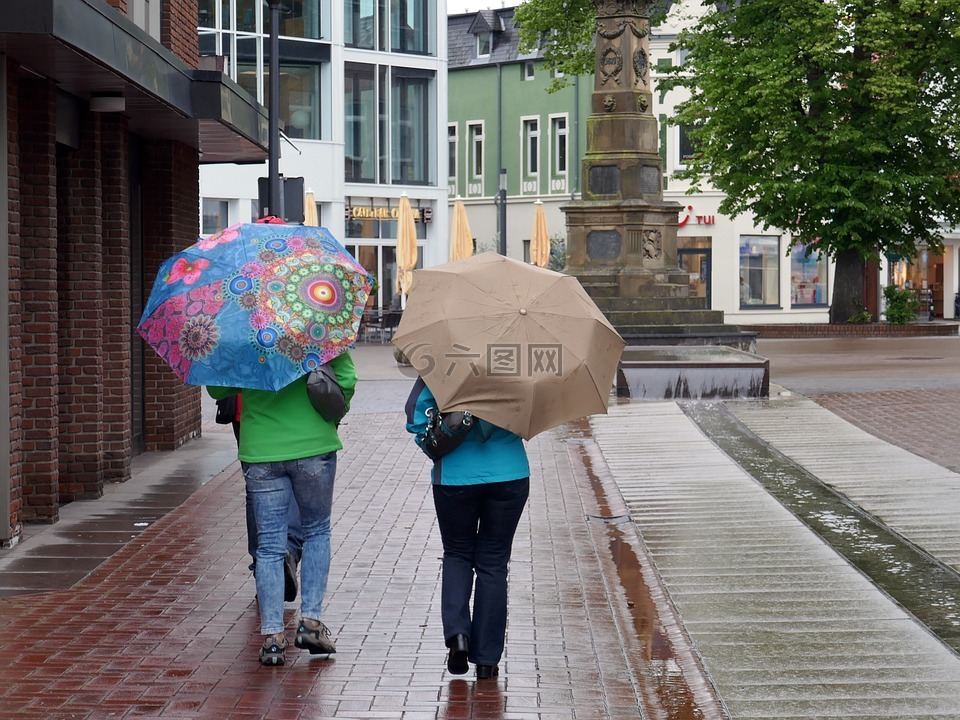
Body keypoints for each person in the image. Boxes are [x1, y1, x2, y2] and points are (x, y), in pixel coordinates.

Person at [207, 351, 357, 666]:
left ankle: (273, 638)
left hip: (261, 448)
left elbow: (218, 389)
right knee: (317, 531)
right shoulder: (316, 323)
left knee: (269, 545)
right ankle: (311, 623)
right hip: (314, 443)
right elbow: (345, 380)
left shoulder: (243, 331)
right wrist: (330, 419)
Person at [405, 376, 530, 680]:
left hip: (455, 476)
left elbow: (414, 412)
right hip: (510, 474)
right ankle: (487, 659)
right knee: (494, 564)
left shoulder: (443, 360)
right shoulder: (517, 361)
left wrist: (432, 434)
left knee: (458, 554)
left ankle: (458, 635)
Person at [218, 394, 304, 602]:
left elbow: (217, 386)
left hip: (246, 409)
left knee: (255, 489)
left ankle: (262, 566)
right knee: (293, 481)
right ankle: (288, 550)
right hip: (288, 406)